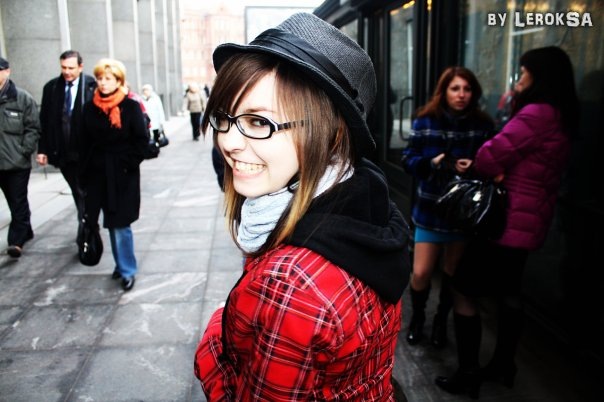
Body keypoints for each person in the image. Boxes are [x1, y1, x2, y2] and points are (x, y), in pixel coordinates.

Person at [194, 13, 411, 401]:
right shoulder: (366, 203)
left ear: (331, 134)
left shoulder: (290, 286)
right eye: (224, 117)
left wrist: (216, 332)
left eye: (258, 122)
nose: (228, 142)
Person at [435, 46, 579, 399]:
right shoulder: (562, 115)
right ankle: (503, 365)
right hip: (531, 219)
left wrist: (491, 164)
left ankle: (468, 375)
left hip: (505, 220)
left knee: (463, 287)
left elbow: (489, 156)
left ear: (539, 76)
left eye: (524, 71)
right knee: (510, 291)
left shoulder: (537, 113)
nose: (520, 77)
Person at [401, 67, 494, 348]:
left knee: (452, 274)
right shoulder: (425, 120)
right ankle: (418, 318)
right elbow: (408, 159)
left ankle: (441, 320)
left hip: (462, 212)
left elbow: (493, 163)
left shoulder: (482, 124)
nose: (461, 95)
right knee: (421, 272)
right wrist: (433, 162)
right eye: (455, 88)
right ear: (444, 91)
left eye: (467, 89)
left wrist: (475, 165)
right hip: (430, 208)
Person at [80, 58, 148, 291]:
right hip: (97, 176)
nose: (103, 83)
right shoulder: (89, 107)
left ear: (119, 81)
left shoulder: (130, 106)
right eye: (100, 78)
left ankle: (127, 269)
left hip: (122, 176)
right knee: (108, 224)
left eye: (108, 79)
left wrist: (125, 164)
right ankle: (120, 265)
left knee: (120, 224)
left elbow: (141, 142)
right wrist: (84, 172)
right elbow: (83, 142)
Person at [38, 50, 97, 223]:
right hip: (63, 150)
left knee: (84, 189)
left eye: (71, 68)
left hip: (87, 151)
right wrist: (42, 149)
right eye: (63, 67)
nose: (67, 72)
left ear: (80, 67)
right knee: (77, 189)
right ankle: (86, 223)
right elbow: (44, 120)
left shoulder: (92, 86)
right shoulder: (51, 88)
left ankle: (86, 226)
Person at [0, 57, 40, 258]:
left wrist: (24, 150)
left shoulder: (22, 98)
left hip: (17, 163)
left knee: (18, 200)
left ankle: (16, 242)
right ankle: (26, 229)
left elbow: (33, 127)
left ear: (7, 72)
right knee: (12, 201)